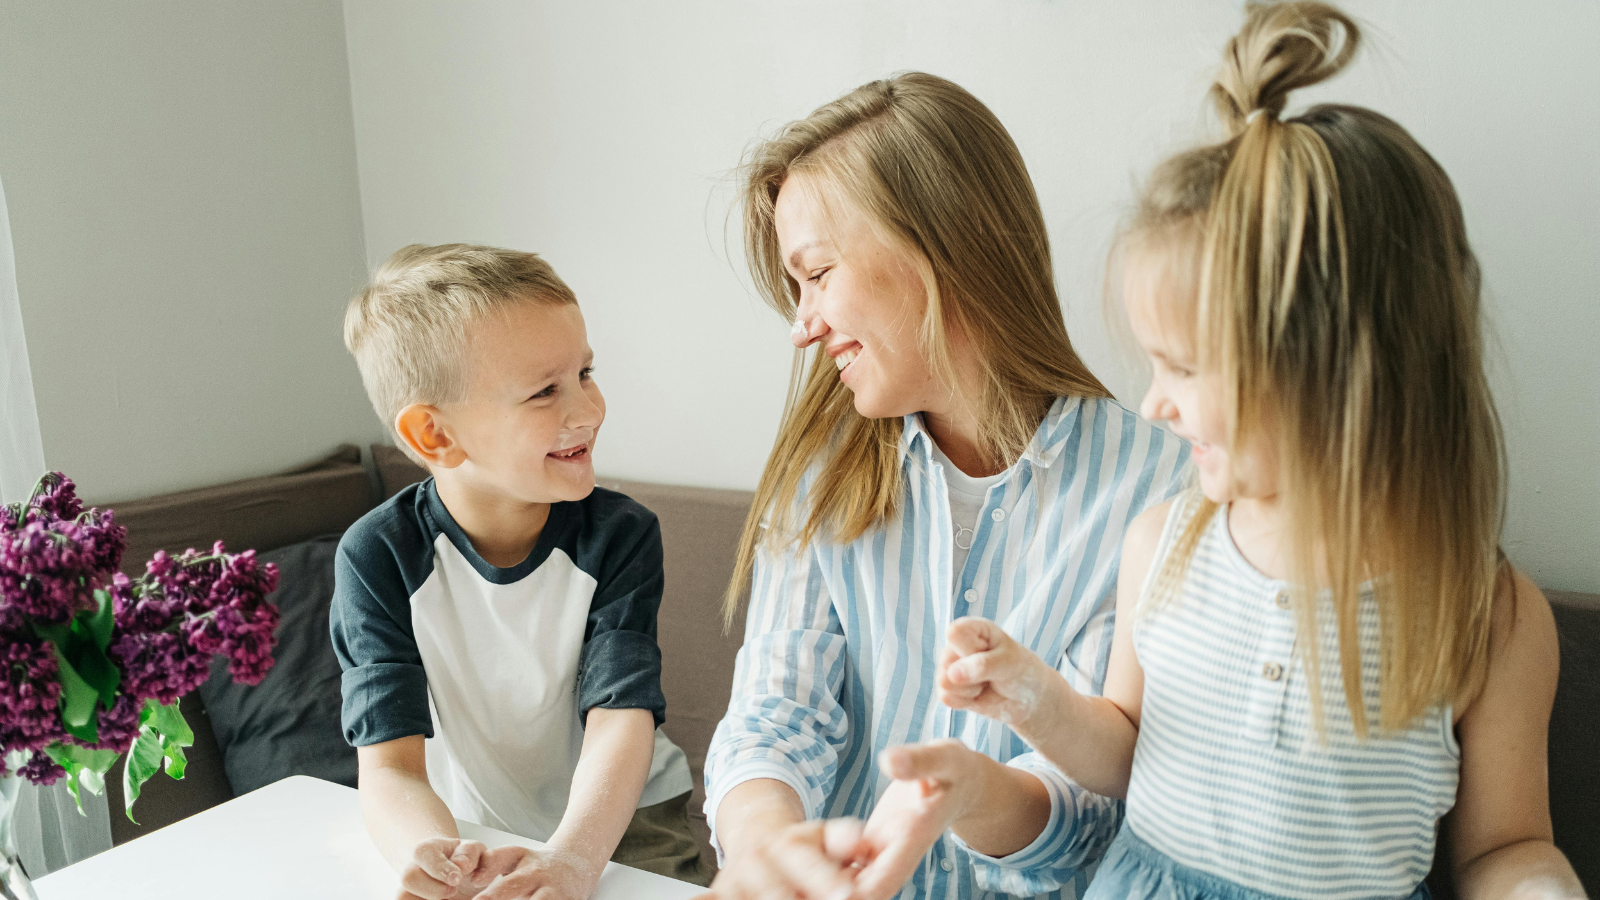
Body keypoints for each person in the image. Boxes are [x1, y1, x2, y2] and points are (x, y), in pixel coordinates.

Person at [887, 4, 1586, 898]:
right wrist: (1038, 699)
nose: (1154, 403)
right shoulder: (1164, 544)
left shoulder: (1486, 613)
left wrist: (1540, 887)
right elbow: (1126, 754)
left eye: (1183, 367)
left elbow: (1506, 844)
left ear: (1335, 369)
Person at [703, 73, 1189, 900]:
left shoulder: (1161, 489)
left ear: (944, 247)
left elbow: (1102, 804)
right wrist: (768, 853)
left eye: (817, 272)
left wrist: (969, 794)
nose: (802, 324)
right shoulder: (818, 474)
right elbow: (774, 716)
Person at [332, 244, 709, 900]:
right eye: (545, 391)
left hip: (621, 820)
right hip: (473, 826)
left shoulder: (620, 536)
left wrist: (573, 860)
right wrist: (427, 855)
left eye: (585, 372)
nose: (588, 409)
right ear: (435, 436)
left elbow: (621, 717)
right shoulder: (376, 557)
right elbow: (389, 765)